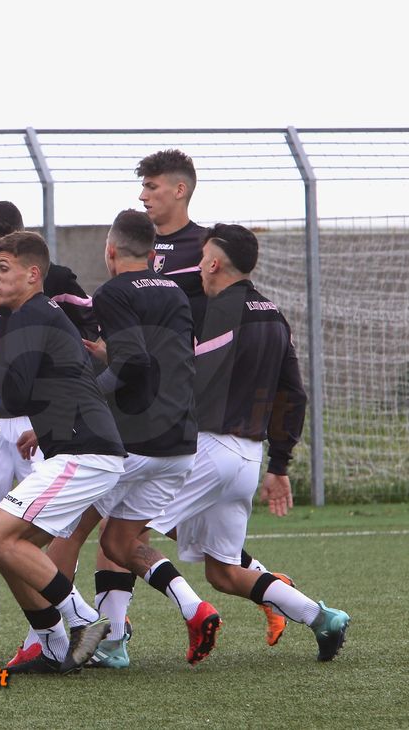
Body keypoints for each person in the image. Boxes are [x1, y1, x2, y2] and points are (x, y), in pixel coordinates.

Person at [147, 224, 350, 662]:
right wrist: (279, 466)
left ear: (215, 263)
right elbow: (293, 394)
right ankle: (321, 617)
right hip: (248, 458)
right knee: (223, 572)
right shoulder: (274, 315)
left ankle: (171, 616)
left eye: (202, 258)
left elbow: (185, 384)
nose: (198, 267)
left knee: (118, 534)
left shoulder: (218, 314)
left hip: (209, 450)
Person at [42, 209, 218, 668]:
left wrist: (84, 396)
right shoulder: (176, 291)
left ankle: (52, 641)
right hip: (180, 442)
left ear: (112, 249)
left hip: (137, 442)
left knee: (67, 528)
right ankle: (193, 607)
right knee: (119, 544)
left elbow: (135, 364)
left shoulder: (113, 291)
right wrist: (110, 354)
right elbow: (158, 357)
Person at [136, 149, 291, 645]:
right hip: (168, 409)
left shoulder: (201, 253)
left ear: (179, 190)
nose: (143, 196)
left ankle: (111, 635)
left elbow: (213, 348)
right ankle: (275, 590)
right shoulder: (138, 244)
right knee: (201, 547)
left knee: (121, 530)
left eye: (152, 187)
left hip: (191, 420)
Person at [0, 230, 126, 674]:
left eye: (3, 268)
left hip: (85, 452)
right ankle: (54, 648)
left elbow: (14, 389)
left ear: (33, 274)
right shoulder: (35, 315)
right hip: (76, 449)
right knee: (10, 547)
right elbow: (39, 388)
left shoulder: (34, 314)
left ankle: (86, 621)